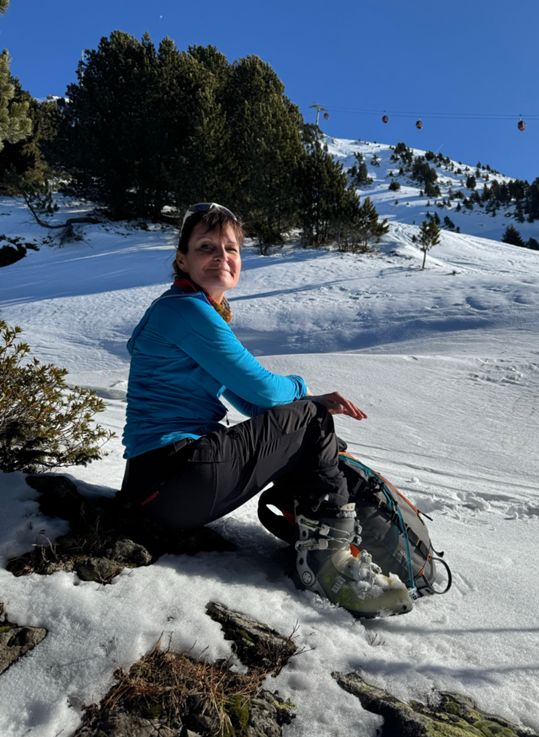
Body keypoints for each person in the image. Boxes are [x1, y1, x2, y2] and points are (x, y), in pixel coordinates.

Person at [121, 202, 411, 617]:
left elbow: (249, 399)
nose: (222, 257)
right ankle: (327, 565)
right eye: (207, 247)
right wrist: (303, 395)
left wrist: (305, 407)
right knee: (310, 423)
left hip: (159, 488)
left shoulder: (183, 310)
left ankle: (322, 542)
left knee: (308, 424)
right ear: (182, 260)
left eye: (231, 248)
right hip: (172, 476)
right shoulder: (185, 311)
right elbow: (262, 388)